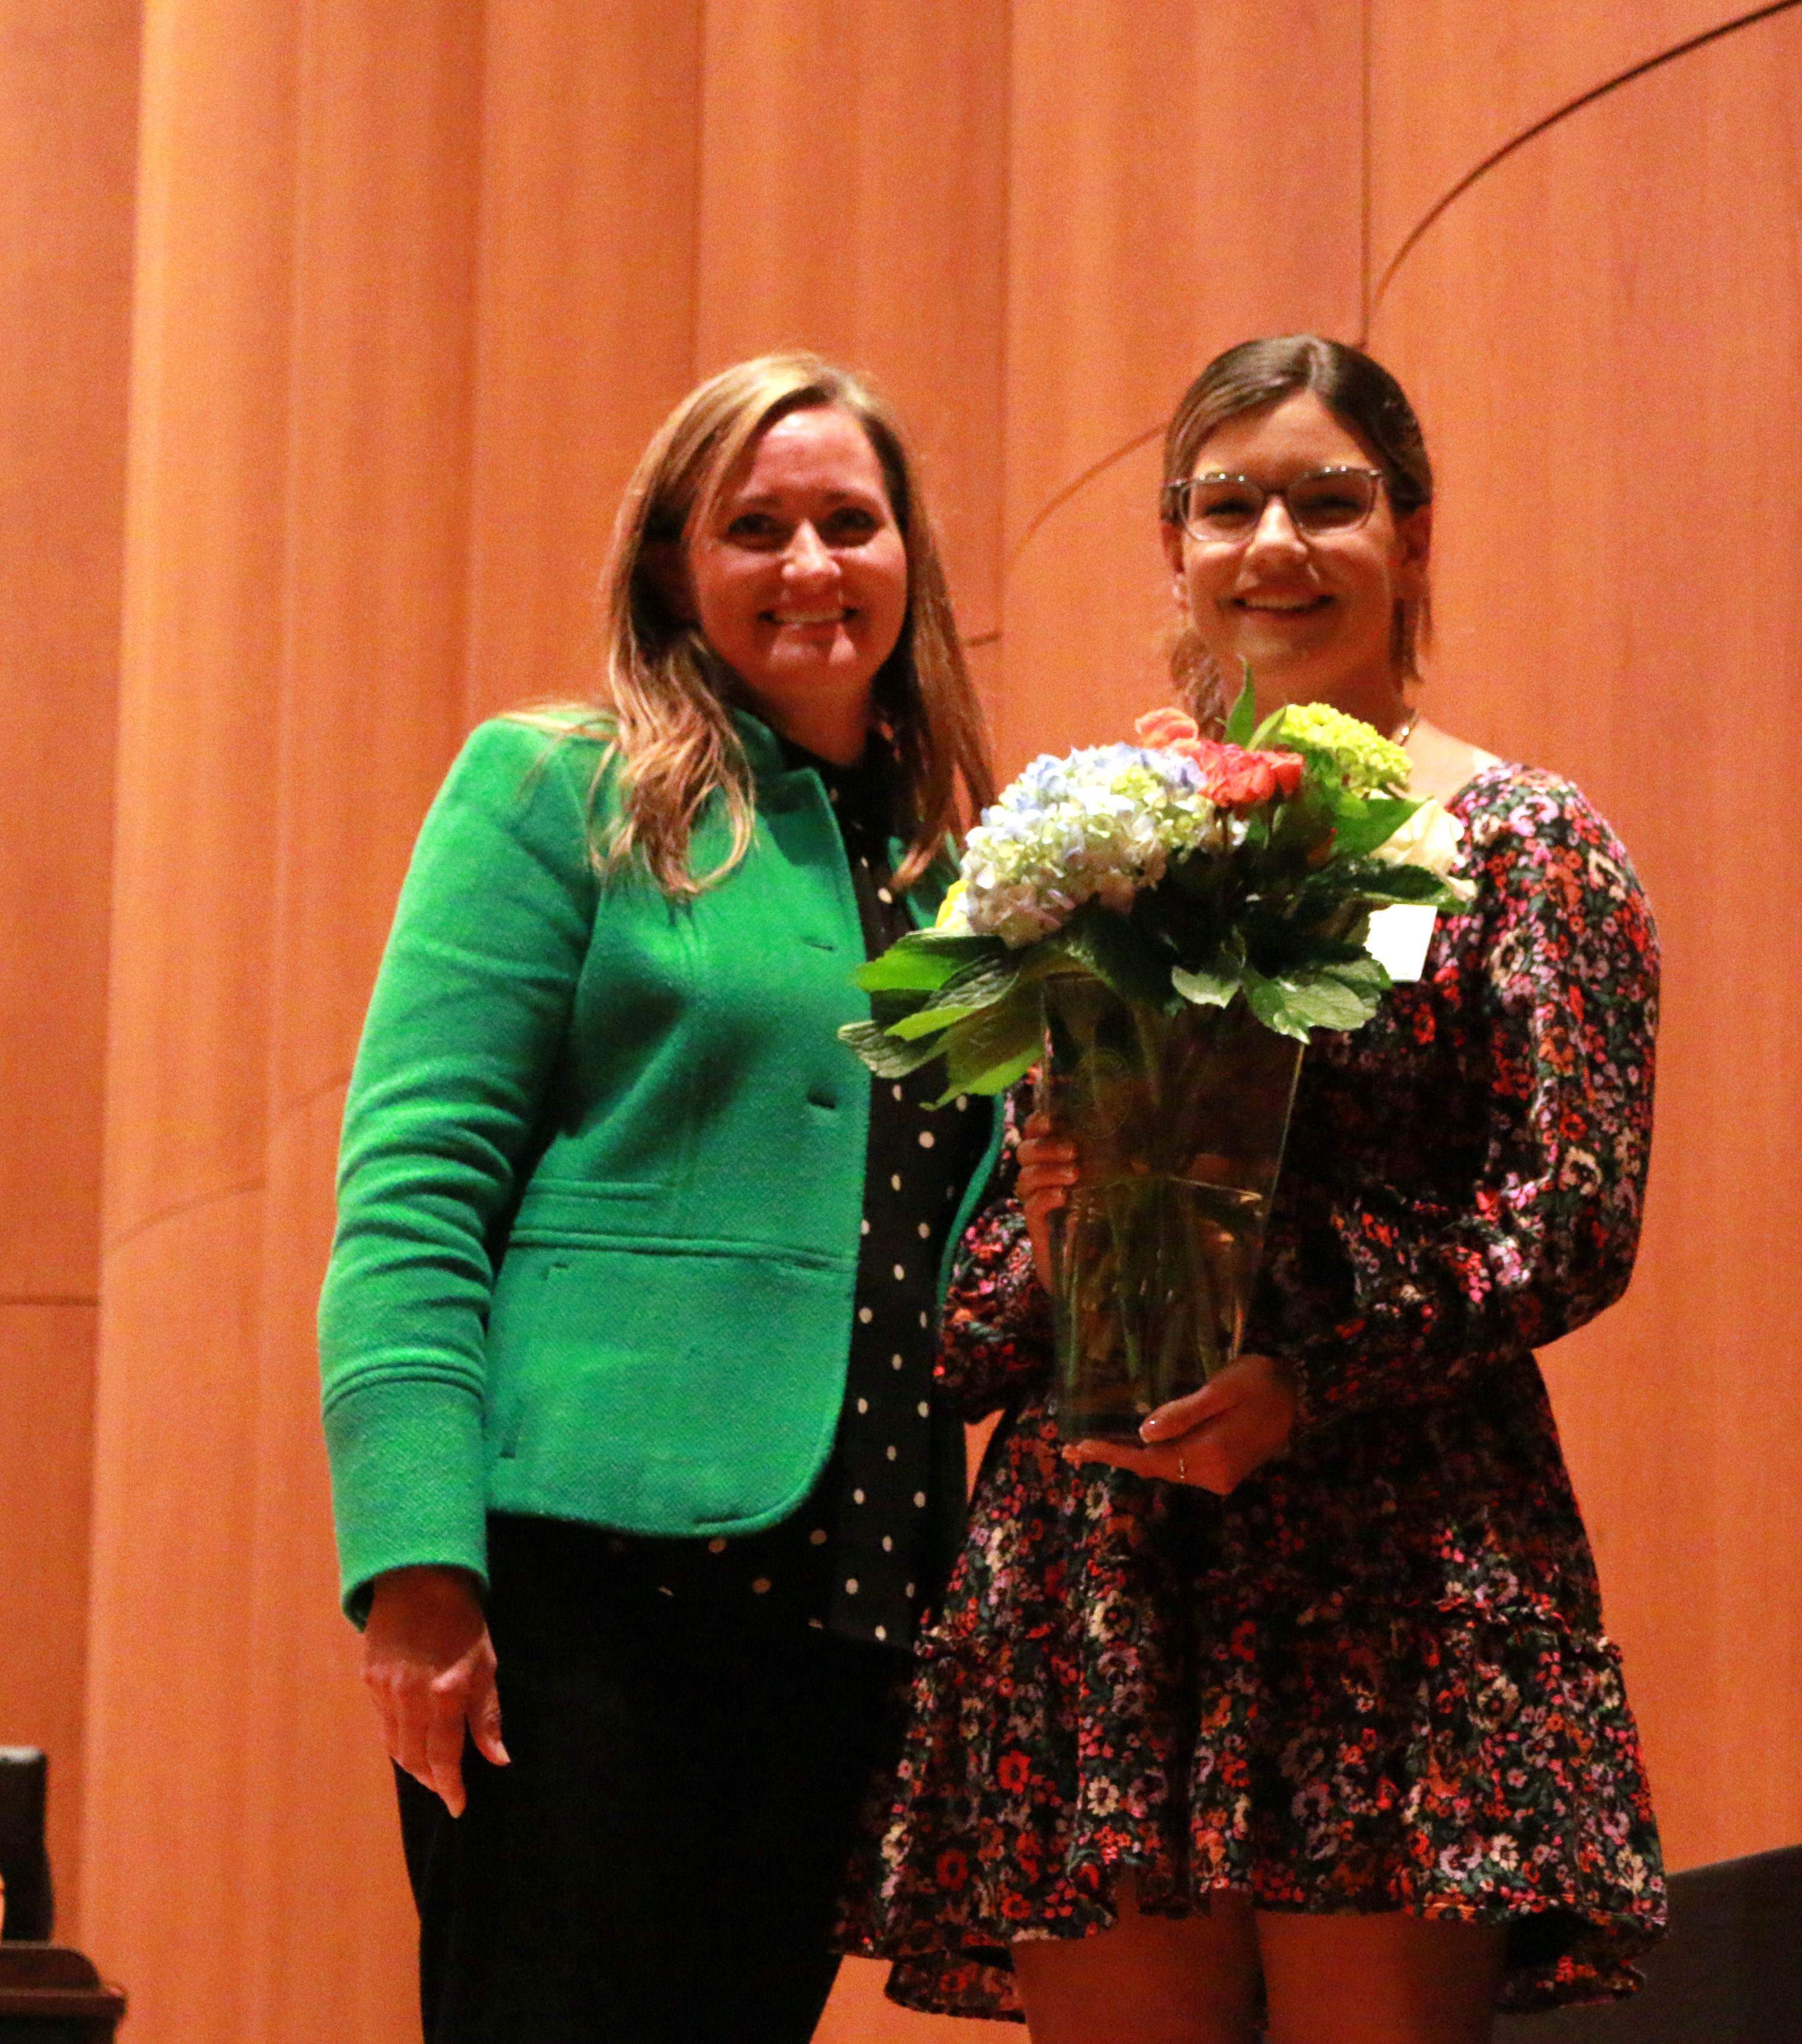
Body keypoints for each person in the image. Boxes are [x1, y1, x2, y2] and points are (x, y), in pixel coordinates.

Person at [847, 336, 1667, 2044]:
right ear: (1175, 547)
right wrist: (1069, 1228)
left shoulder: (1527, 843)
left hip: (1394, 1564)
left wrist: (1309, 1375)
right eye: (1228, 504)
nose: (1274, 543)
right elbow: (968, 1302)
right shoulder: (1092, 840)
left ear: (1416, 538)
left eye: (1329, 500)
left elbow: (1567, 1214)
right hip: (1105, 1573)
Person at [318, 352, 1001, 2044]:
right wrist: (416, 1563)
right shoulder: (561, 789)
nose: (810, 566)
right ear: (673, 571)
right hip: (584, 1593)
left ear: (910, 557)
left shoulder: (963, 871)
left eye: (851, 521)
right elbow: (413, 1186)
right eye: (753, 527)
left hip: (852, 1604)